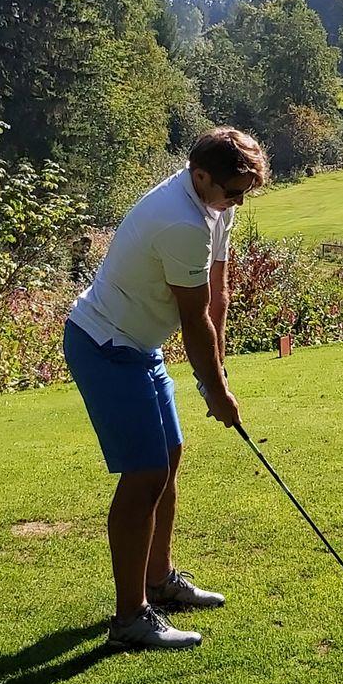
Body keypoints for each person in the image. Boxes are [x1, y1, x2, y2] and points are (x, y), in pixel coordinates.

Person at [63, 127, 269, 650]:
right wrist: (215, 391)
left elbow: (216, 296)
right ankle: (130, 618)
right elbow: (193, 319)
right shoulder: (180, 222)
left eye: (244, 193)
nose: (238, 202)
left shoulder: (215, 205)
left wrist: (217, 377)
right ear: (200, 176)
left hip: (141, 346)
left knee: (169, 456)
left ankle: (158, 581)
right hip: (106, 346)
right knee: (145, 474)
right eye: (233, 192)